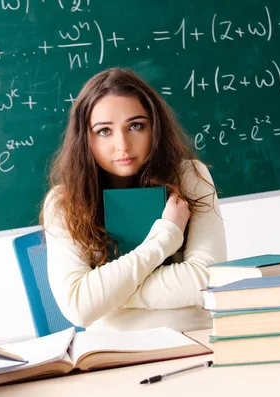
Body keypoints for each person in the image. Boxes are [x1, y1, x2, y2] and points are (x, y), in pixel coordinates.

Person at [40, 68, 227, 332]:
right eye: (104, 131)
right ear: (86, 138)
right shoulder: (63, 201)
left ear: (155, 128)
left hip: (193, 340)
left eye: (136, 126)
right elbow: (79, 307)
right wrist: (166, 236)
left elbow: (207, 279)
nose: (123, 145)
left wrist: (107, 294)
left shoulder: (190, 177)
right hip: (111, 354)